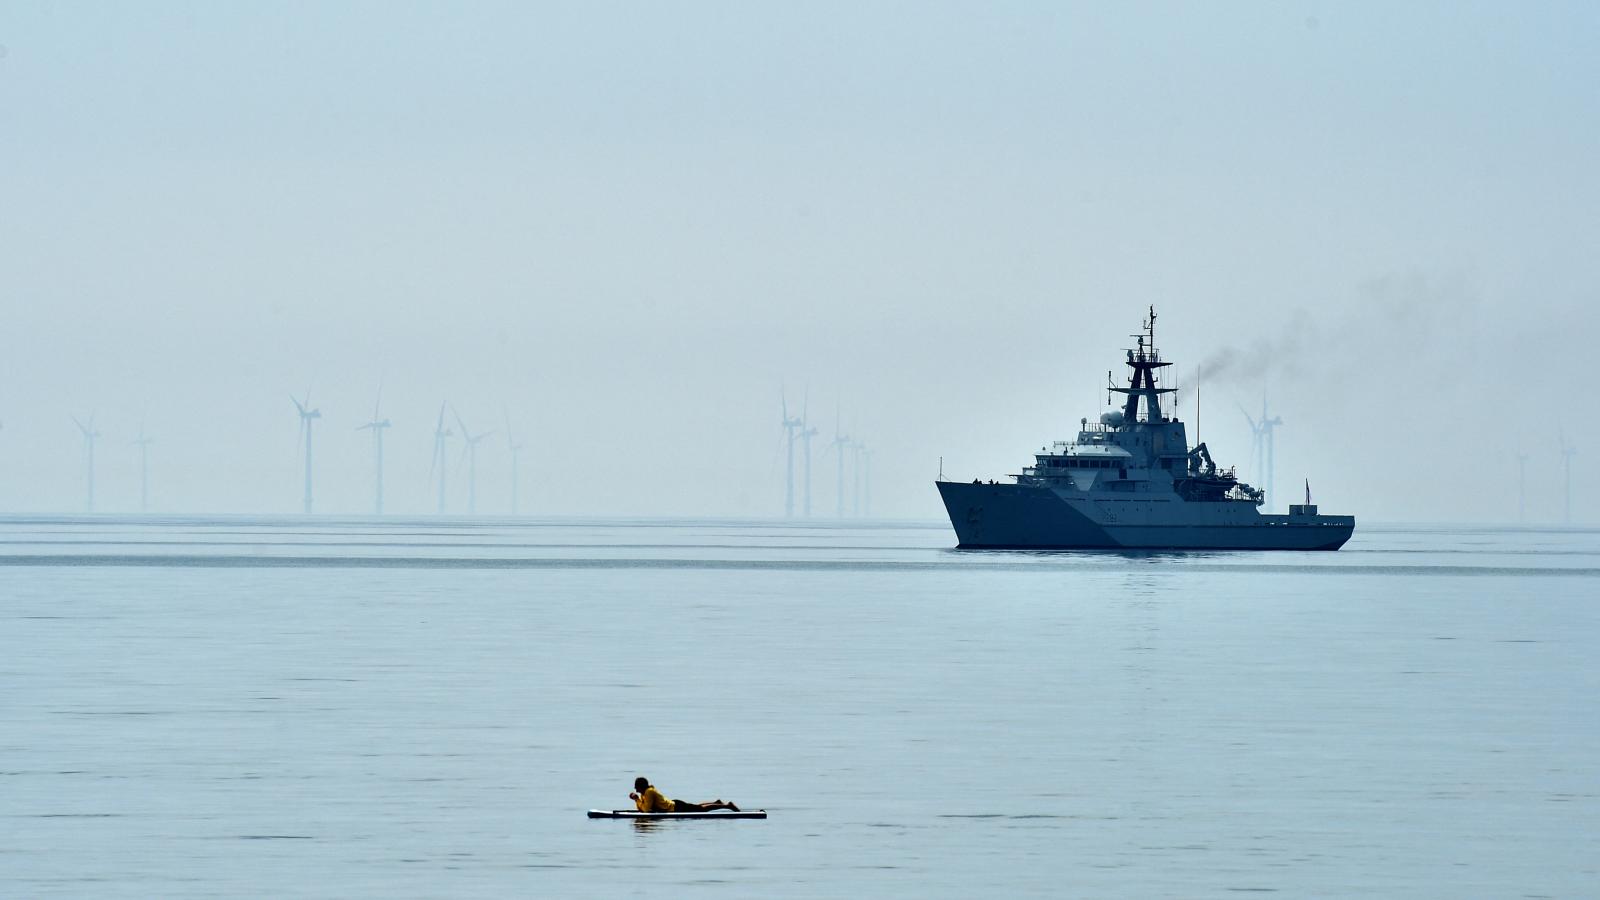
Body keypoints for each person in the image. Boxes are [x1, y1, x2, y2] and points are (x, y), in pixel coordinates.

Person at [630, 776, 739, 813]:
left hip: (676, 808)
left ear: (642, 786)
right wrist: (638, 800)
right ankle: (716, 803)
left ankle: (727, 806)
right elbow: (643, 809)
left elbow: (646, 810)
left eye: (637, 786)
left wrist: (636, 800)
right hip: (674, 805)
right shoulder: (645, 793)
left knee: (701, 809)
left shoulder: (649, 792)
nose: (635, 788)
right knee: (697, 806)